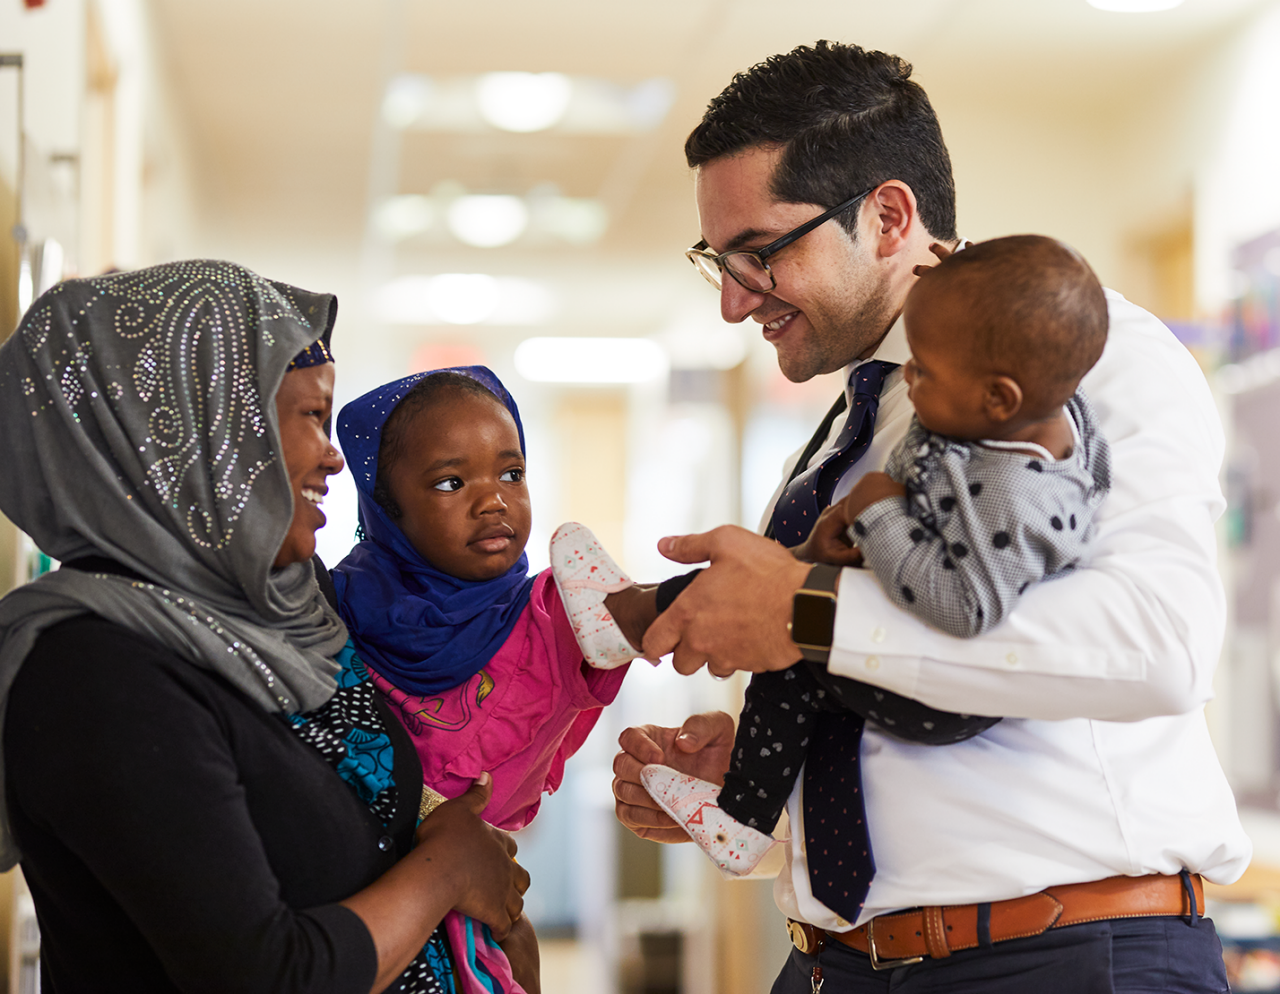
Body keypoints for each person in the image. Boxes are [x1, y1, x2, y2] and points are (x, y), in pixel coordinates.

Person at [610, 41, 1249, 993]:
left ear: (889, 216)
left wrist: (805, 613)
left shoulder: (1086, 356)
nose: (735, 304)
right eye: (720, 261)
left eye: (762, 253)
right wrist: (752, 775)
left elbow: (1160, 646)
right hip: (841, 965)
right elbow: (893, 701)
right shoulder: (838, 442)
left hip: (1062, 959)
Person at [0, 261, 529, 994]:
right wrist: (446, 874)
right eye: (312, 416)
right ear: (202, 432)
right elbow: (260, 975)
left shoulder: (288, 607)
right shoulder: (94, 675)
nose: (335, 458)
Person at [641, 234, 1113, 879]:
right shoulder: (1018, 426)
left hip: (948, 705)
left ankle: (739, 815)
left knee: (797, 628)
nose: (910, 378)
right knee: (794, 615)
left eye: (926, 370)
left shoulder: (1014, 492)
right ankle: (636, 625)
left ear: (1000, 398)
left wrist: (875, 511)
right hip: (839, 955)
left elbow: (963, 605)